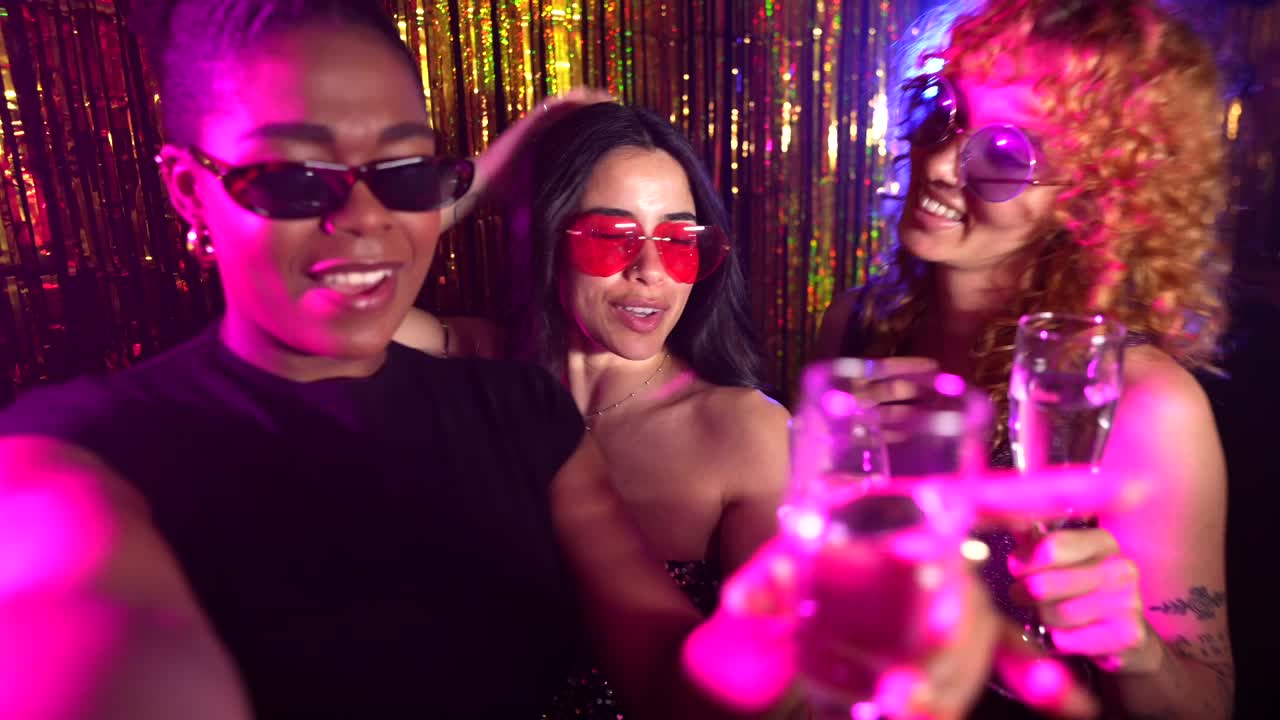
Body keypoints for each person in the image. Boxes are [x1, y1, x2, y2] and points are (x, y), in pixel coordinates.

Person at [0, 1, 737, 717]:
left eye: (405, 171)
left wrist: (789, 636)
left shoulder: (520, 410)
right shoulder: (76, 447)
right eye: (294, 177)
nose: (364, 221)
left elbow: (670, 670)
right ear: (191, 192)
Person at [815, 0, 1234, 717]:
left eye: (1007, 154)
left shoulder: (1143, 405)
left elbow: (1208, 702)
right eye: (939, 109)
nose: (944, 163)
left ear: (1090, 197)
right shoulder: (858, 326)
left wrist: (1132, 646)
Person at [396, 103, 788, 605]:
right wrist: (490, 174)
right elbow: (329, 313)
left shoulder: (748, 431)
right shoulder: (486, 366)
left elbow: (769, 668)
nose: (651, 270)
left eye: (678, 240)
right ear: (547, 237)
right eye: (610, 236)